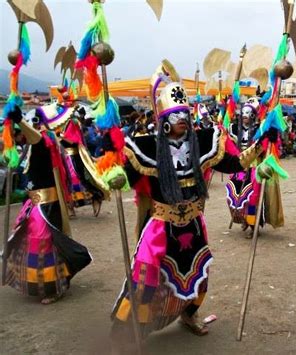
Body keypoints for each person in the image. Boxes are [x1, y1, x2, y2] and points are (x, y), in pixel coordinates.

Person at [110, 73, 270, 343]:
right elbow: (128, 175)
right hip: (161, 227)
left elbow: (232, 164)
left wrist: (259, 150)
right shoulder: (146, 148)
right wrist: (116, 177)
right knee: (145, 281)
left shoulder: (202, 144)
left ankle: (189, 314)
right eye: (176, 115)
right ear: (163, 120)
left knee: (199, 275)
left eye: (185, 113)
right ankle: (127, 331)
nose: (183, 119)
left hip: (194, 224)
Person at [3, 105, 91, 304]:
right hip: (34, 204)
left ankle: (54, 286)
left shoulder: (45, 142)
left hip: (47, 204)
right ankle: (38, 282)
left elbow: (35, 136)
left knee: (44, 244)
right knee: (28, 242)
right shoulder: (30, 146)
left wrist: (19, 121)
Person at [226, 97, 262, 235]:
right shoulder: (234, 128)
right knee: (233, 195)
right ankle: (244, 220)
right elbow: (230, 146)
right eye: (244, 113)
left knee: (252, 198)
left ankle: (254, 225)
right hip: (238, 165)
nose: (245, 116)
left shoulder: (260, 129)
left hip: (253, 166)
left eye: (248, 113)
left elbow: (262, 147)